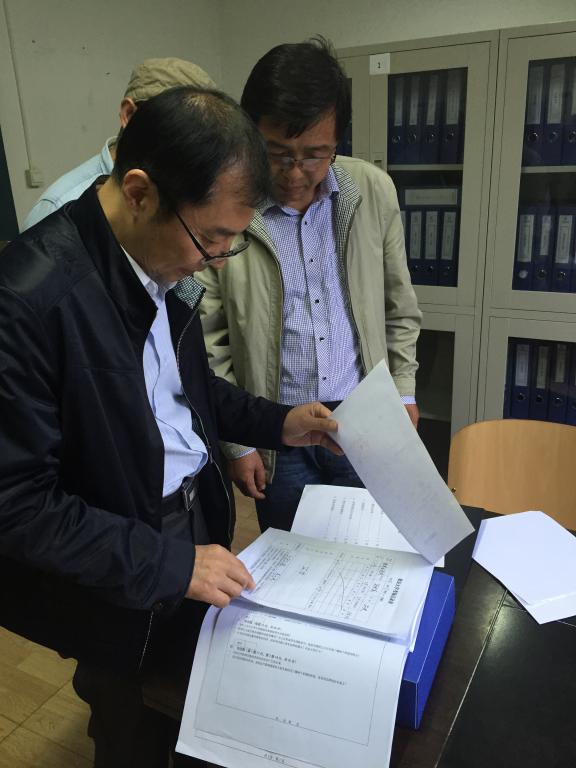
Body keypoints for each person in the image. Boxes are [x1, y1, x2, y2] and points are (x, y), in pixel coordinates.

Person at [0, 86, 340, 768]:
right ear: (139, 192)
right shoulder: (28, 301)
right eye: (211, 238)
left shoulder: (152, 261)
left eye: (232, 239)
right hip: (116, 560)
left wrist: (280, 423)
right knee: (130, 720)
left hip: (187, 526)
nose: (216, 258)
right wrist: (169, 562)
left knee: (189, 708)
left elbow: (188, 392)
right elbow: (19, 508)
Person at [198, 38, 422, 533]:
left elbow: (399, 307)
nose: (295, 173)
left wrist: (403, 390)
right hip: (278, 427)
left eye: (315, 155)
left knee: (368, 545)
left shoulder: (371, 192)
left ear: (337, 141)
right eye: (277, 153)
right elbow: (210, 338)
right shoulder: (227, 207)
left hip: (364, 417)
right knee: (292, 554)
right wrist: (239, 442)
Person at [23, 57, 215, 229]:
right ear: (129, 115)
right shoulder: (61, 207)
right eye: (179, 125)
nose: (191, 144)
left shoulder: (185, 187)